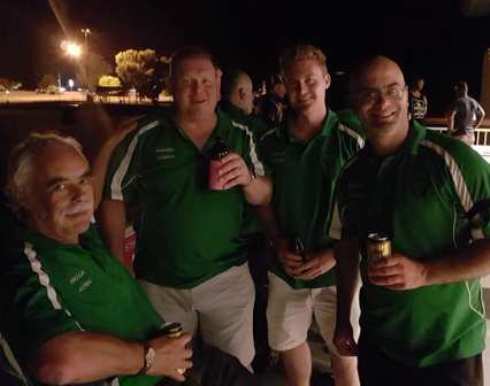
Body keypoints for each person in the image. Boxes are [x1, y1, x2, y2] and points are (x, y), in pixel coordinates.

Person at [100, 47, 272, 371]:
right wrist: (118, 265)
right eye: (188, 82)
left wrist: (247, 178)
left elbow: (264, 194)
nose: (198, 90)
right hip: (160, 285)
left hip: (227, 279)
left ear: (218, 82)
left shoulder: (241, 133)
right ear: (172, 84)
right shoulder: (146, 135)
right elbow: (112, 196)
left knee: (234, 371)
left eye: (206, 81)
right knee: (172, 373)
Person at [333, 56, 490, 386]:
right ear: (354, 104)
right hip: (379, 345)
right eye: (370, 94)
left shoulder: (453, 160)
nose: (384, 103)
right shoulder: (351, 175)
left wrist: (424, 272)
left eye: (393, 90)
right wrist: (343, 319)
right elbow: (347, 248)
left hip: (449, 346)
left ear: (408, 96)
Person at [1, 133, 193, 386]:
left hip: (172, 358)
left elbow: (94, 190)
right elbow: (58, 365)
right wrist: (148, 357)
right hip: (150, 374)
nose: (80, 196)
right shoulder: (27, 265)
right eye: (59, 186)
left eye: (82, 180)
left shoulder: (77, 229)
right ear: (24, 196)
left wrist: (111, 140)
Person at [258, 44, 363, 386]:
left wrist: (335, 254)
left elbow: (372, 205)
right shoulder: (269, 143)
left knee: (346, 359)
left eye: (311, 80)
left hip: (340, 273)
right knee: (290, 349)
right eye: (294, 83)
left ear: (327, 80)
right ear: (283, 87)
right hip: (286, 271)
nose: (302, 90)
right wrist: (277, 242)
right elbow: (262, 200)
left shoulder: (351, 138)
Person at [219, 69, 269, 136]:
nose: (252, 98)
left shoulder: (213, 119)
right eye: (251, 91)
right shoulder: (251, 128)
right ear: (242, 93)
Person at [447, 80, 486, 145]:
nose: (456, 92)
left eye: (456, 90)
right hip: (471, 136)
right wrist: (474, 127)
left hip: (460, 135)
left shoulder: (458, 101)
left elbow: (451, 116)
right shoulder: (473, 101)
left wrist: (450, 131)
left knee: (455, 154)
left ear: (459, 90)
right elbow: (482, 113)